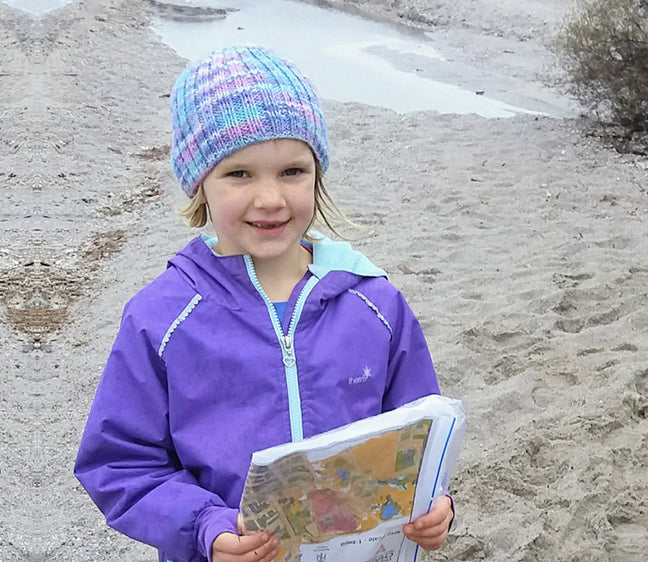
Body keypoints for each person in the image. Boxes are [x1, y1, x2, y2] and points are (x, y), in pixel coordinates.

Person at [74, 45, 454, 562]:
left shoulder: (375, 303)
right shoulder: (161, 318)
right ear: (200, 184)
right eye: (240, 174)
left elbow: (421, 438)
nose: (271, 199)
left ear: (317, 173)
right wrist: (206, 526)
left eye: (292, 171)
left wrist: (435, 506)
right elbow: (119, 464)